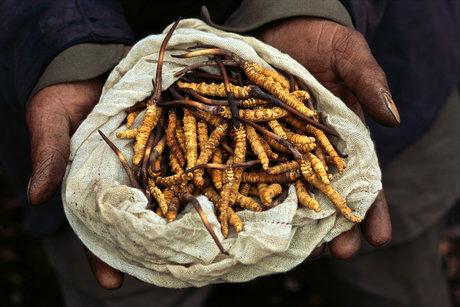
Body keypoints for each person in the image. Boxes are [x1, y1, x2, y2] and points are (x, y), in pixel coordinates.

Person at [0, 1, 458, 306]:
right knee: (134, 263)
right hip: (77, 81)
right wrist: (61, 46)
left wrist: (309, 3)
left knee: (392, 273)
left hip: (393, 57)